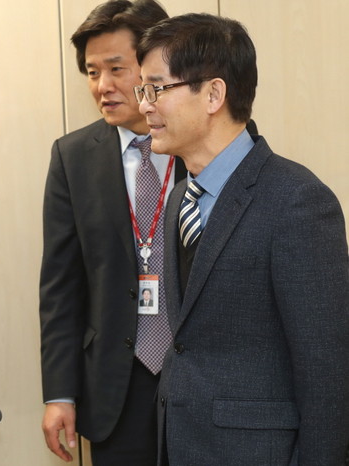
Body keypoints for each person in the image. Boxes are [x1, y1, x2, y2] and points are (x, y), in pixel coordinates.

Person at [136, 13, 349, 465]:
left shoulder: (297, 201)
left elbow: (328, 374)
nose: (145, 106)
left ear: (213, 94)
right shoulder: (177, 198)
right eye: (143, 91)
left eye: (157, 89)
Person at [39, 2, 180, 465]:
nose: (103, 86)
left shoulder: (202, 144)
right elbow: (61, 286)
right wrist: (60, 393)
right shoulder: (73, 157)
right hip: (116, 385)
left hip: (197, 375)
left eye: (116, 69)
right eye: (92, 72)